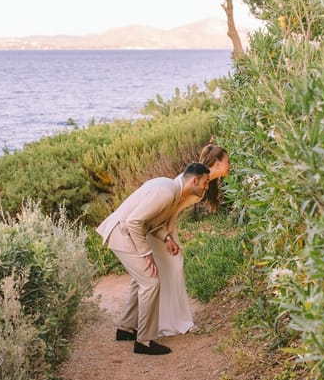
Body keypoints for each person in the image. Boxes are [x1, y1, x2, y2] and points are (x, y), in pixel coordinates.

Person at [95, 162, 212, 355]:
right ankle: (144, 341)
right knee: (150, 282)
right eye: (206, 183)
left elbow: (152, 222)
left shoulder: (171, 190)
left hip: (124, 233)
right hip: (122, 234)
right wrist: (146, 253)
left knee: (139, 280)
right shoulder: (167, 193)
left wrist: (167, 238)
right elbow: (134, 222)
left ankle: (126, 329)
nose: (207, 187)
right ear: (194, 180)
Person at [156, 142, 230, 336]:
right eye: (227, 161)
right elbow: (173, 208)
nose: (230, 165)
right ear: (216, 163)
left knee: (171, 268)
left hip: (165, 226)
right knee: (173, 266)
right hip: (160, 228)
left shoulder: (206, 180)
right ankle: (174, 323)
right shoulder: (197, 180)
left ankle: (172, 320)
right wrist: (168, 236)